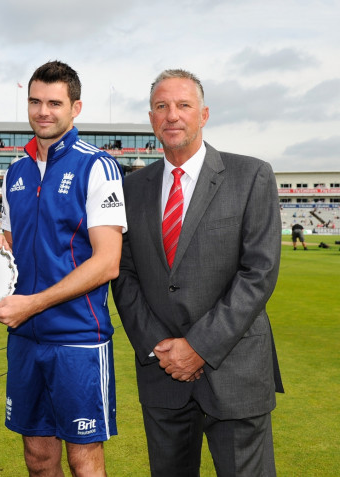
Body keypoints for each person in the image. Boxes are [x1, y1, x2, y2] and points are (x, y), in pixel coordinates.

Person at [111, 69, 283, 477]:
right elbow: (123, 274)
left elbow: (259, 271)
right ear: (151, 118)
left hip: (234, 369)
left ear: (203, 114)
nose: (172, 115)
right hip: (163, 371)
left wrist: (199, 347)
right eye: (161, 106)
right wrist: (159, 345)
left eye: (183, 105)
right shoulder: (130, 188)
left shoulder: (252, 175)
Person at [0, 60, 127, 477]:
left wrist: (34, 303)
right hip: (25, 337)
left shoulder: (96, 165)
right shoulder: (15, 172)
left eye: (54, 102)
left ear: (75, 108)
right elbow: (11, 246)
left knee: (84, 461)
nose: (42, 111)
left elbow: (107, 262)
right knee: (38, 458)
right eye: (34, 101)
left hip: (77, 339)